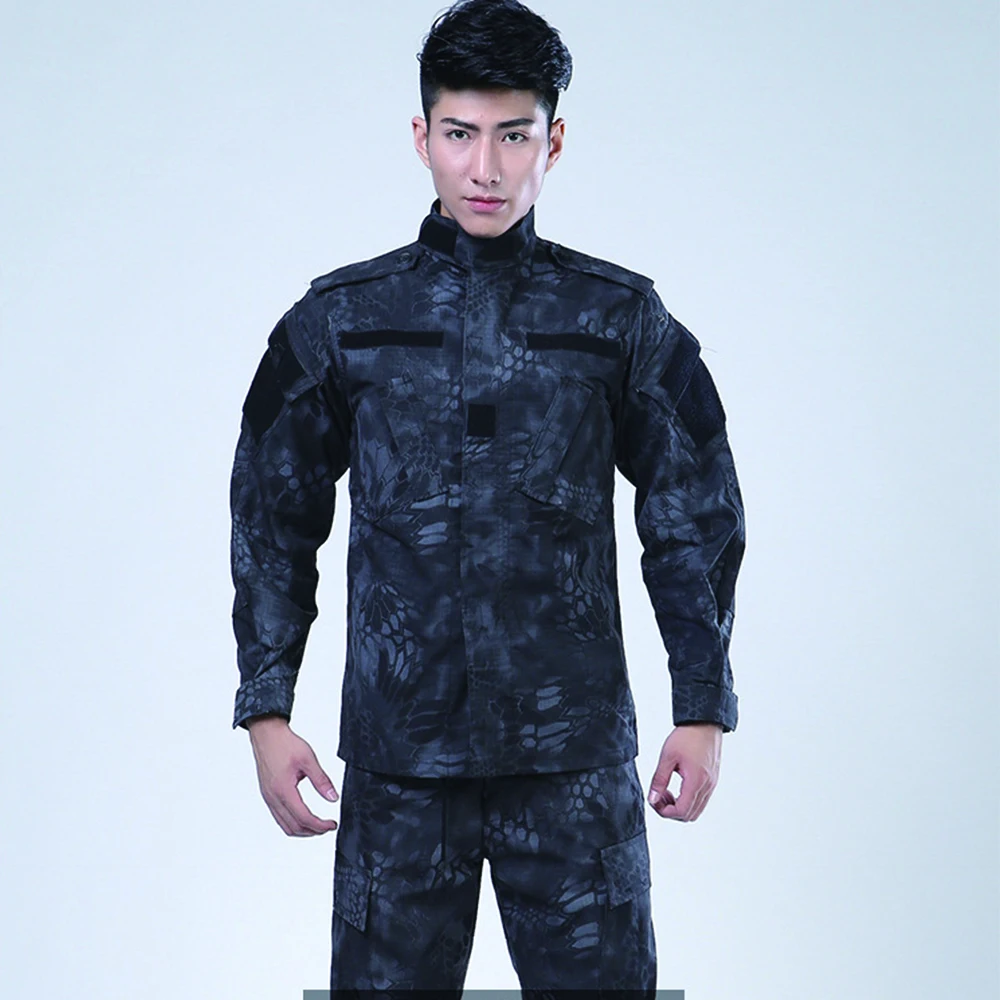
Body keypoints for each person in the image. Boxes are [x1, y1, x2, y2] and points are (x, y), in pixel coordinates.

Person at [229, 0, 746, 993]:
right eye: (459, 134)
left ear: (554, 141)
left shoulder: (616, 318)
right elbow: (270, 510)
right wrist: (266, 707)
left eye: (514, 136)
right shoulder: (345, 319)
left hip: (572, 764)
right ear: (421, 136)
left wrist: (702, 704)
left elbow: (694, 509)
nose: (485, 168)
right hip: (401, 762)